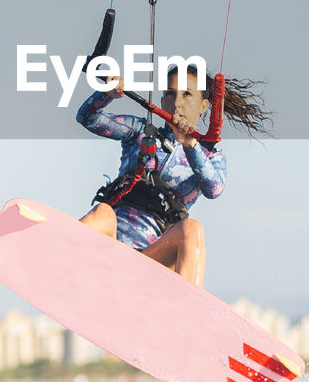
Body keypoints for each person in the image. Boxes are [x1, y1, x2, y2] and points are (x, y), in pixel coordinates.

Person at [76, 67, 269, 288]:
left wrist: (190, 145)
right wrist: (106, 94)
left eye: (187, 94)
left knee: (192, 229)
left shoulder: (209, 155)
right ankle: (56, 251)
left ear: (203, 106)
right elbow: (88, 118)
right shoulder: (140, 131)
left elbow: (214, 189)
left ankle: (188, 307)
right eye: (170, 93)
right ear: (162, 99)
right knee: (103, 212)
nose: (176, 102)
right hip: (108, 245)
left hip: (152, 262)